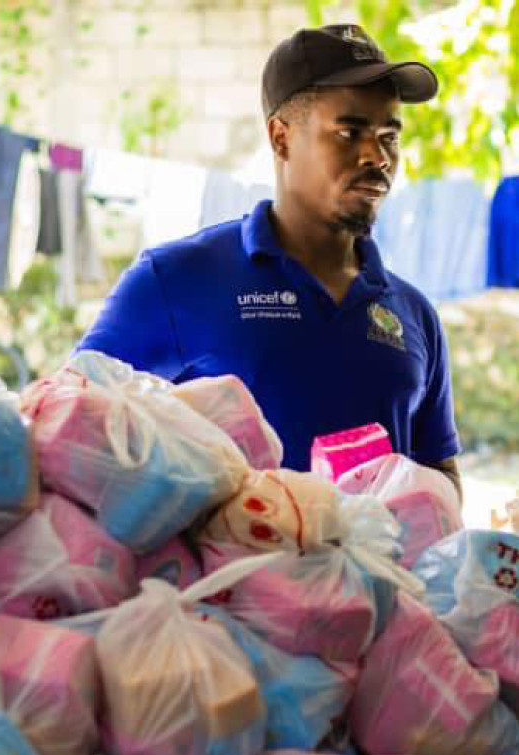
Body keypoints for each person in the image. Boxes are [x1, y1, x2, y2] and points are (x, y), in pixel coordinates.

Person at [75, 25, 462, 495]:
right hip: (225, 570)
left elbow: (440, 475)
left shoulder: (413, 313)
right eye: (350, 132)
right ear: (281, 138)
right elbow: (70, 423)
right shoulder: (176, 278)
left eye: (388, 136)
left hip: (382, 569)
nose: (377, 156)